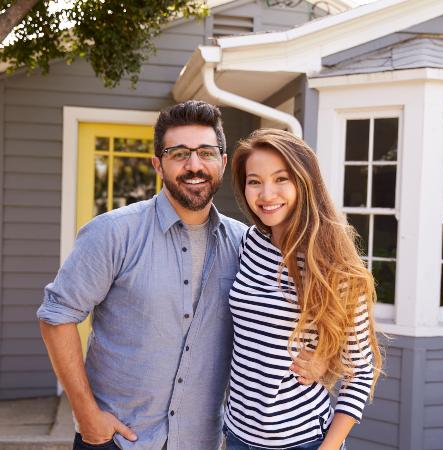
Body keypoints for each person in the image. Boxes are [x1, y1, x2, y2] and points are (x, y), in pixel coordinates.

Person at [36, 101, 320, 450]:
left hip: (202, 441)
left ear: (223, 161)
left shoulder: (247, 245)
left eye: (205, 152)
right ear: (158, 164)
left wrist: (323, 359)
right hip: (117, 440)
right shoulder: (112, 233)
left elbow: (297, 317)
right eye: (179, 154)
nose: (195, 165)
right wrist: (85, 414)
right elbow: (56, 317)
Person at [224, 129, 382, 450]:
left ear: (304, 181)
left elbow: (360, 370)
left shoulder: (334, 266)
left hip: (301, 441)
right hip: (237, 434)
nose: (266, 194)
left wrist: (328, 447)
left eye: (280, 179)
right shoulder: (250, 243)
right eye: (254, 181)